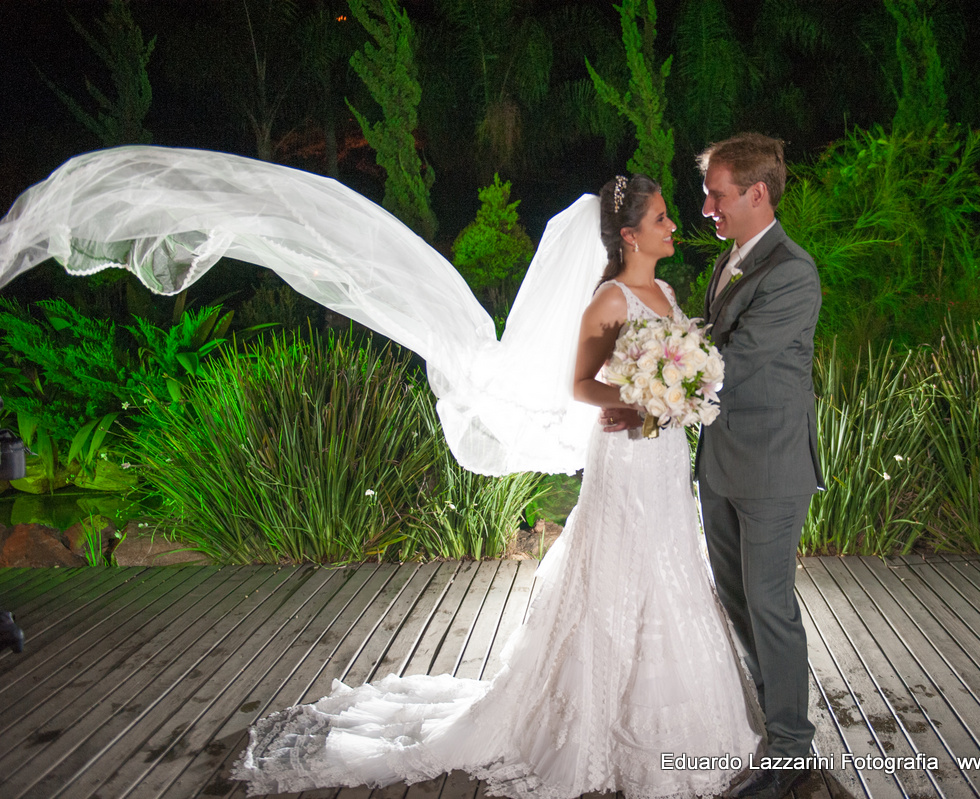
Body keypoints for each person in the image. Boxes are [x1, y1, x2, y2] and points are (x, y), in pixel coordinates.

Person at [231, 174, 760, 797]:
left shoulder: (667, 292)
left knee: (671, 565)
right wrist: (642, 398)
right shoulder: (609, 301)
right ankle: (599, 726)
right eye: (662, 219)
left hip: (667, 456)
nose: (673, 227)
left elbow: (676, 367)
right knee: (621, 569)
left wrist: (681, 393)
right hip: (625, 454)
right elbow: (581, 386)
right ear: (628, 235)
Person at [698, 133, 824, 799]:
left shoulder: (793, 272)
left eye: (716, 195)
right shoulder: (731, 262)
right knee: (738, 598)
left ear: (757, 193)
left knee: (770, 604)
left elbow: (731, 362)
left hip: (772, 466)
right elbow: (710, 338)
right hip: (721, 463)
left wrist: (659, 374)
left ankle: (793, 753)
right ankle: (771, 718)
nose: (708, 207)